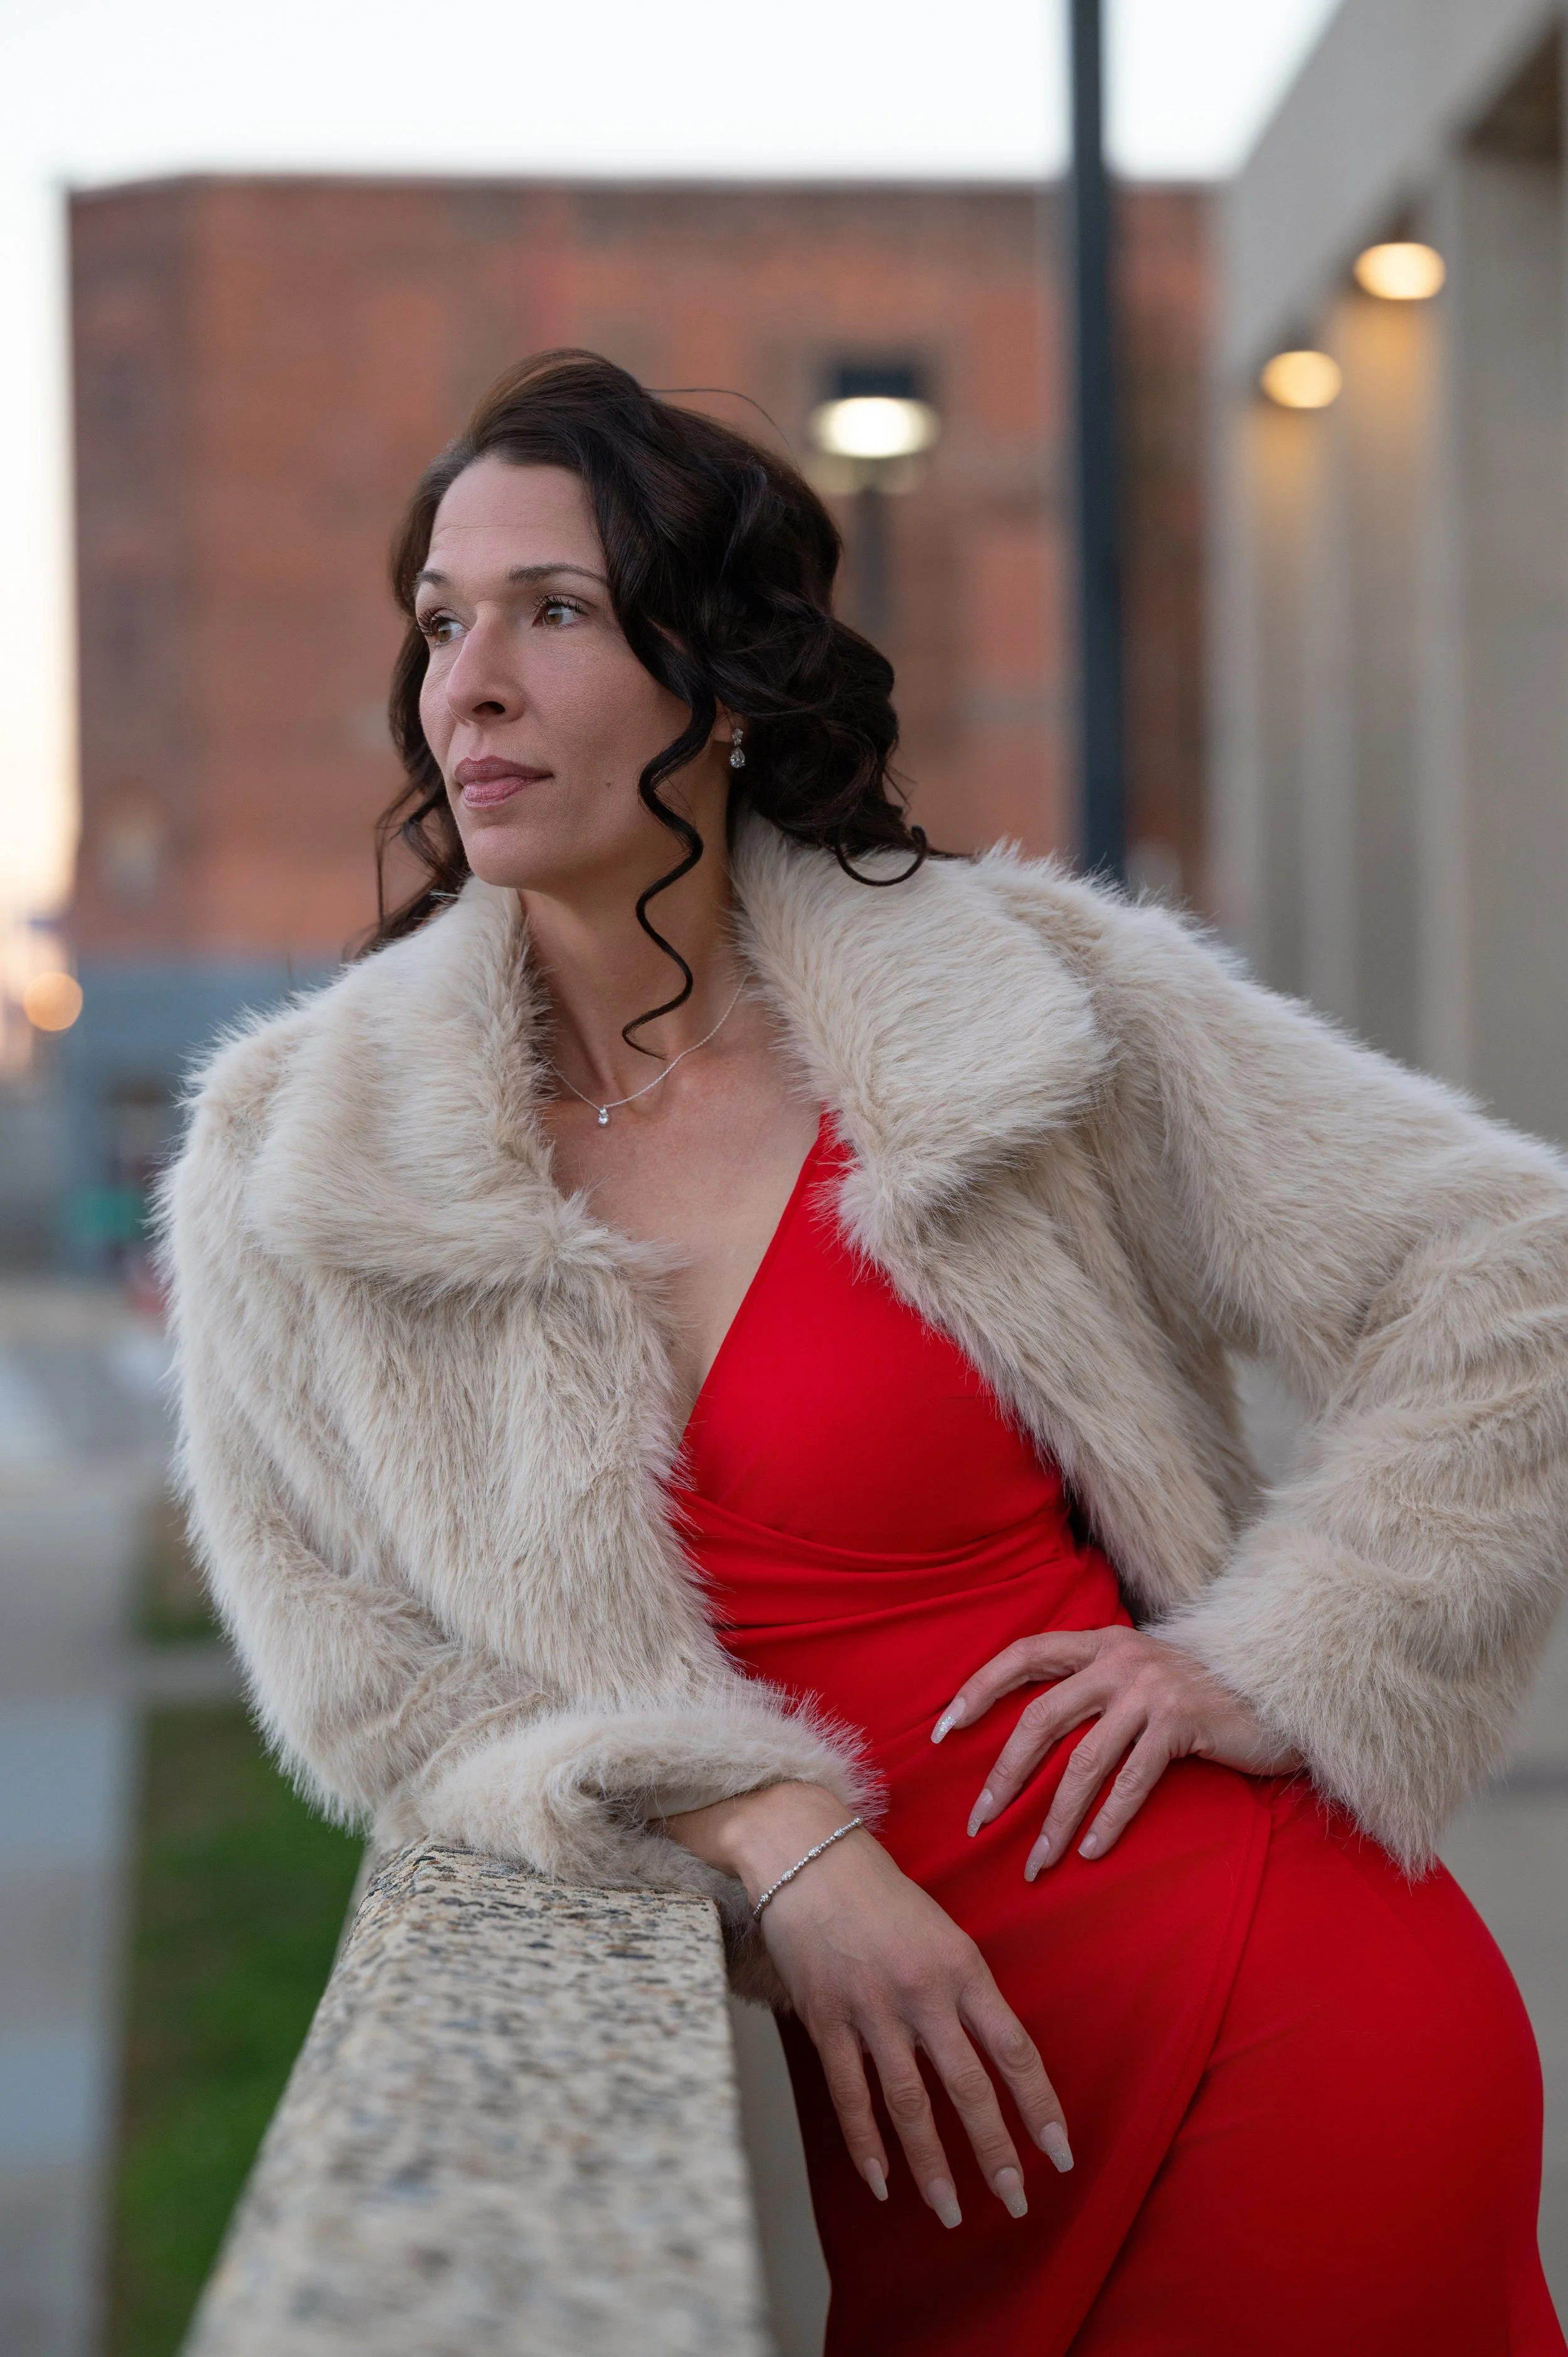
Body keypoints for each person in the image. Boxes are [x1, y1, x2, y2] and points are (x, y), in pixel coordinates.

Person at [162, 350, 1568, 2355]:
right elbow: (361, 1678)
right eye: (441, 621)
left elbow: (1512, 1267)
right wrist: (767, 1829)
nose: (468, 686)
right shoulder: (288, 1155)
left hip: (1273, 2012)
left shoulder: (1026, 1004)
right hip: (929, 2126)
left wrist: (1283, 1653)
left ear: (723, 682)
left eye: (553, 612)